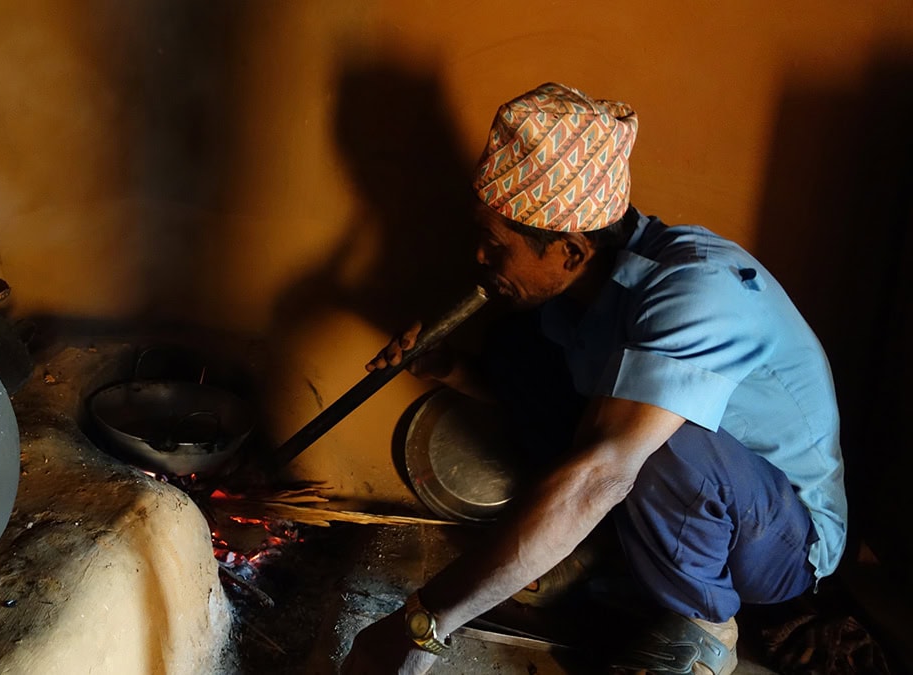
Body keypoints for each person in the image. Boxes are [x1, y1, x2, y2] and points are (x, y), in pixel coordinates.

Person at [340, 82, 847, 675]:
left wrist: (422, 625)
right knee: (521, 345)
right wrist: (447, 368)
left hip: (778, 542)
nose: (478, 259)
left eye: (494, 244)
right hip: (690, 506)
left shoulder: (697, 293)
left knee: (655, 433)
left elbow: (601, 475)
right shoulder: (577, 299)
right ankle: (612, 555)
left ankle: (704, 628)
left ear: (573, 252)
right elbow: (549, 410)